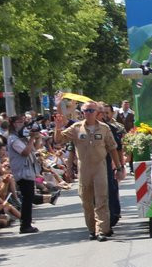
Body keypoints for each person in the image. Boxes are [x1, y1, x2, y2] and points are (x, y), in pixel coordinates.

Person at [54, 103, 124, 241]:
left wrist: (119, 167)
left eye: (91, 110)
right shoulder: (76, 128)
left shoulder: (104, 128)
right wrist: (58, 126)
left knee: (101, 199)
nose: (88, 113)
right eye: (85, 110)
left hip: (100, 167)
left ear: (97, 112)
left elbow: (112, 148)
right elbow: (59, 140)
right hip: (84, 169)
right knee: (86, 200)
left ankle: (102, 230)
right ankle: (92, 229)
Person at [7, 115, 40, 234]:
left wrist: (37, 137)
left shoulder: (21, 137)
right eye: (19, 122)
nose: (22, 124)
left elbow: (34, 148)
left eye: (23, 121)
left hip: (28, 170)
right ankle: (25, 225)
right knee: (27, 198)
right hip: (22, 171)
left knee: (29, 197)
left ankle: (27, 223)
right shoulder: (13, 138)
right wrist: (31, 138)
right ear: (13, 123)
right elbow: (25, 152)